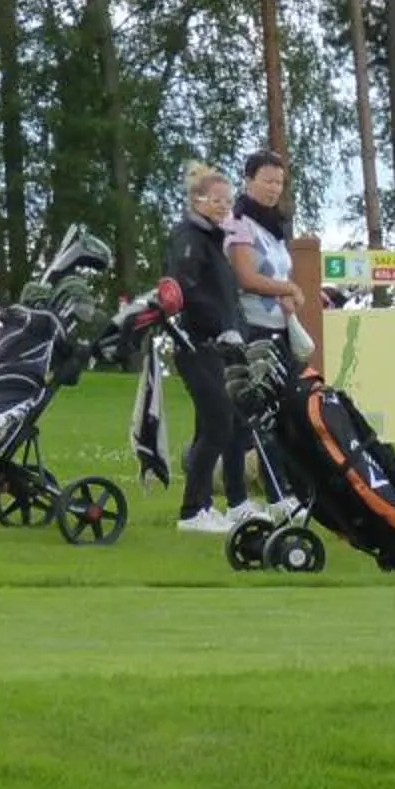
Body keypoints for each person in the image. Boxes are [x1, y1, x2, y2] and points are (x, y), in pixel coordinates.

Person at [163, 163, 249, 533]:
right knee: (218, 424)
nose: (223, 207)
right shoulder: (189, 238)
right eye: (216, 200)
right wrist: (219, 327)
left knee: (211, 424)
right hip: (196, 343)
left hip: (217, 346)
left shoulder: (212, 240)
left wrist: (234, 329)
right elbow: (185, 291)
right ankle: (191, 512)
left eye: (228, 201)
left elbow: (224, 296)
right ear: (197, 201)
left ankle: (202, 505)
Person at [226, 150, 306, 376]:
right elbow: (246, 278)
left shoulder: (274, 228)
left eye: (279, 183)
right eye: (268, 181)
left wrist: (288, 295)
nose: (274, 188)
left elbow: (278, 275)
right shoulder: (238, 223)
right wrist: (289, 288)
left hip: (281, 328)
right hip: (252, 330)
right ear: (248, 181)